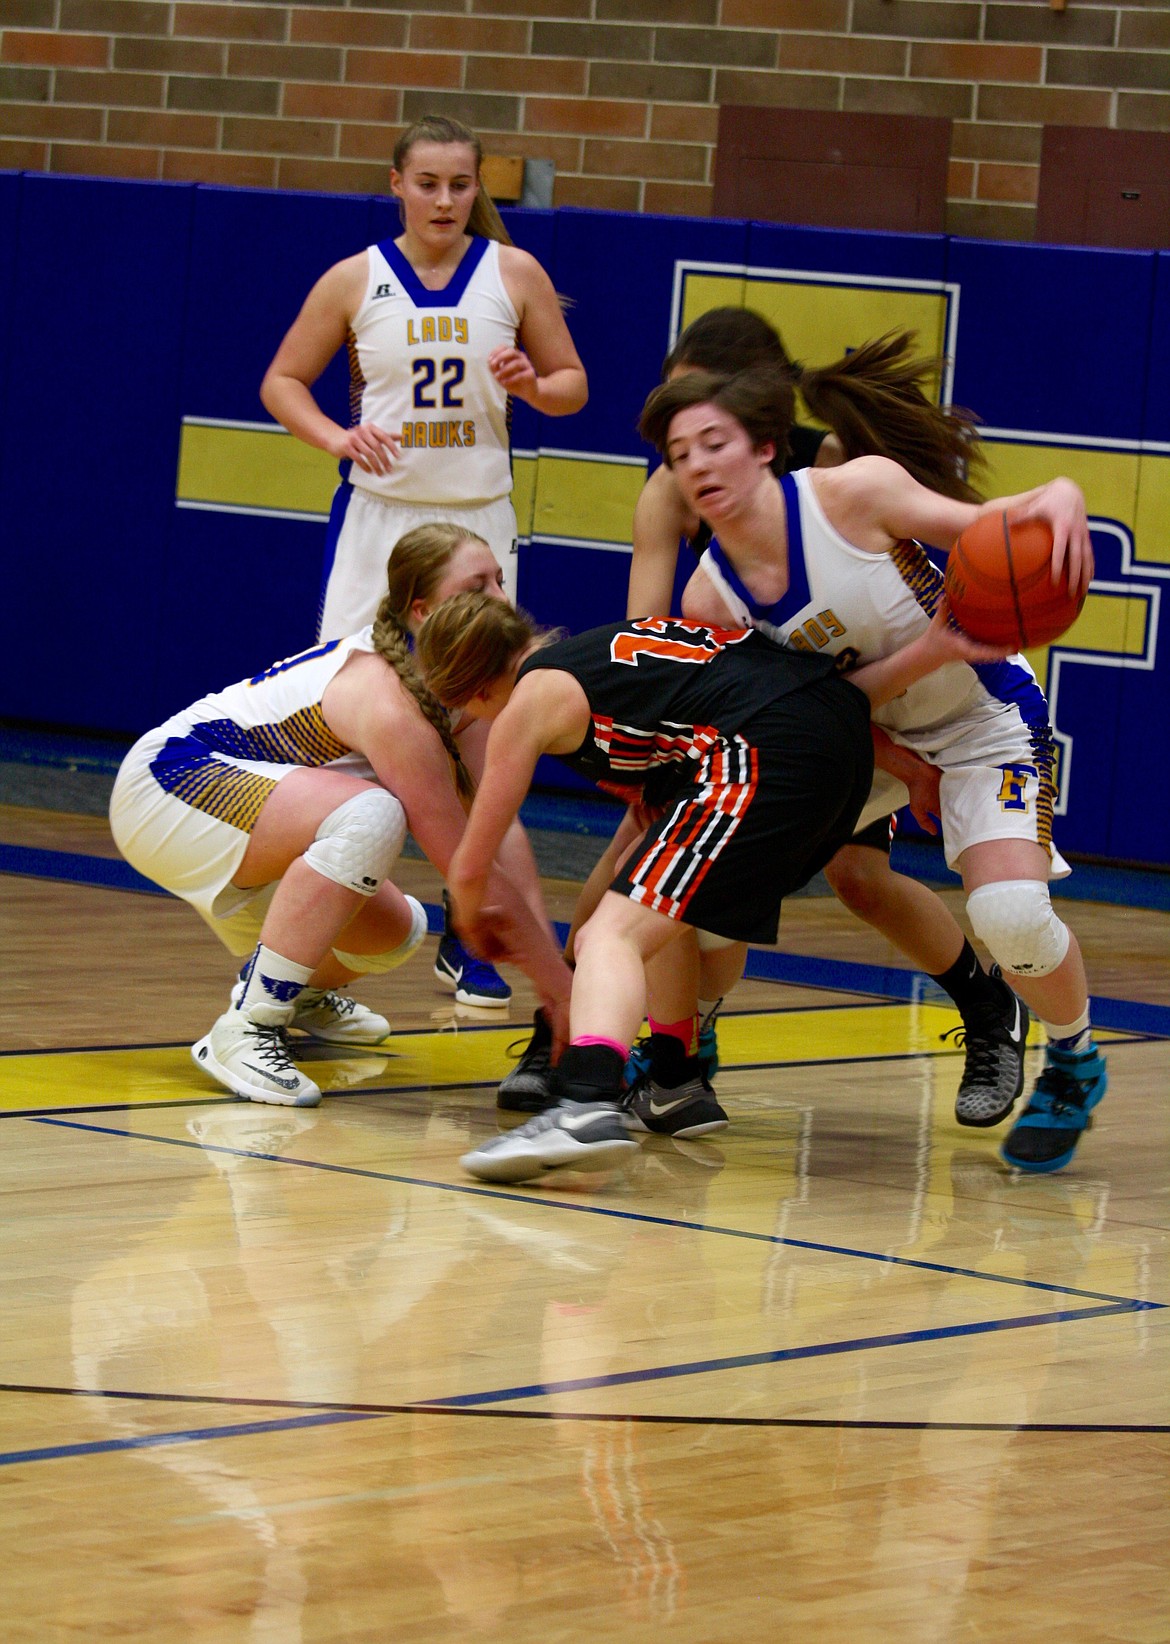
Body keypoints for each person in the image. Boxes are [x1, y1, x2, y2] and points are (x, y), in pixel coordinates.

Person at [544, 309, 1026, 1134]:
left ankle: (987, 1012)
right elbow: (651, 639)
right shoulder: (671, 492)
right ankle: (635, 1051)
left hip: (884, 693)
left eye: (702, 416)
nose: (687, 444)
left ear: (757, 417)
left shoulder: (838, 475)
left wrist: (1042, 523)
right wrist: (653, 760)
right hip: (795, 710)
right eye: (675, 421)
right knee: (657, 869)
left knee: (858, 882)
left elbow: (974, 536)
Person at [635, 364, 1105, 1176]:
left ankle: (1072, 1057)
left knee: (1012, 915)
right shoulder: (711, 603)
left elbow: (986, 523)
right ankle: (687, 1037)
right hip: (853, 739)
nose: (701, 466)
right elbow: (804, 712)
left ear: (766, 450)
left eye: (716, 443)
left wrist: (1055, 495)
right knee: (700, 903)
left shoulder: (852, 494)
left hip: (979, 714)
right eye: (682, 456)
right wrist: (894, 762)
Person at [415, 591, 1009, 1184]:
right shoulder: (616, 653)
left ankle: (584, 1103)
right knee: (651, 906)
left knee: (610, 937)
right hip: (839, 743)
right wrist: (903, 766)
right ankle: (674, 1076)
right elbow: (784, 688)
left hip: (760, 758)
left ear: (470, 694)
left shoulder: (532, 699)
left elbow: (471, 865)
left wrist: (469, 917)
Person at [260, 112, 588, 1008]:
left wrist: (533, 384)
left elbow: (573, 387)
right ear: (397, 184)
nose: (446, 199)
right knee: (344, 735)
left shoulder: (512, 273)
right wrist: (335, 434)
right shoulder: (354, 278)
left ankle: (468, 928)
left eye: (461, 184)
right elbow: (281, 381)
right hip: (380, 523)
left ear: (477, 188)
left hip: (476, 525)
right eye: (429, 183)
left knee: (482, 736)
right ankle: (314, 940)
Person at [108, 551, 572, 1110]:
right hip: (169, 783)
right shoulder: (388, 701)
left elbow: (500, 841)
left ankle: (294, 988)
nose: (500, 597)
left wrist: (555, 982)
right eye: (478, 585)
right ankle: (248, 1027)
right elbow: (464, 869)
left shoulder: (462, 699)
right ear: (422, 611)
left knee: (397, 931)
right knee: (373, 815)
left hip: (249, 808)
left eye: (500, 580)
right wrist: (562, 990)